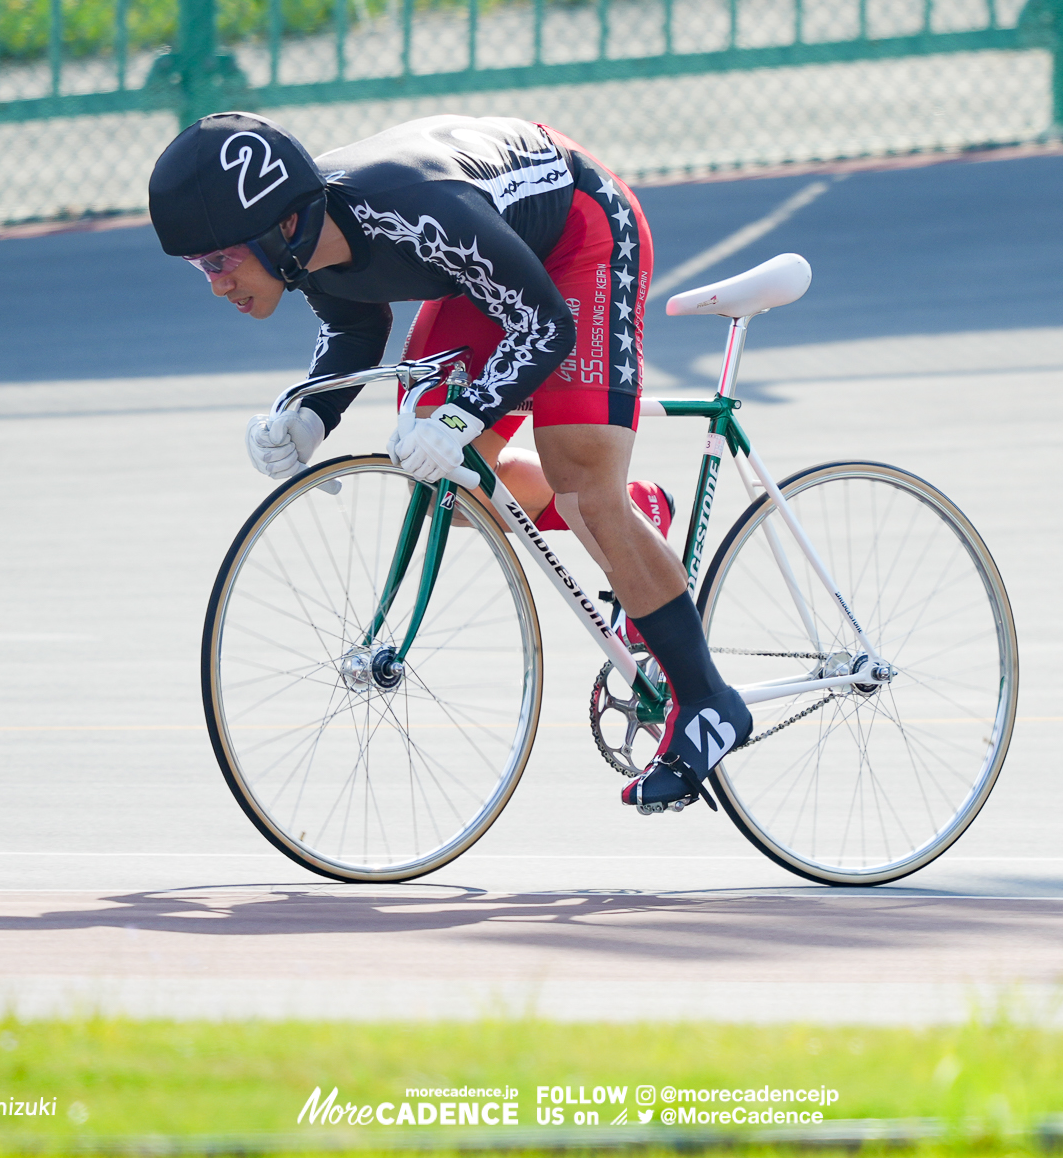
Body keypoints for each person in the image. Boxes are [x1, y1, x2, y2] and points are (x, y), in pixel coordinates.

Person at [148, 111, 751, 812]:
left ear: (279, 227)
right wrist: (311, 417)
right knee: (439, 467)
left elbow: (547, 323)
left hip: (579, 233)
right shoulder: (307, 236)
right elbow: (352, 321)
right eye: (200, 266)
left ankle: (708, 703)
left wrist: (471, 414)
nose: (215, 283)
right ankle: (636, 521)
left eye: (218, 260)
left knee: (583, 480)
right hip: (486, 263)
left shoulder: (412, 212)